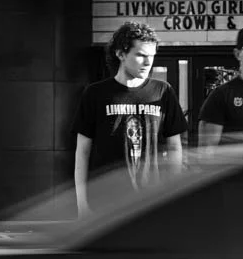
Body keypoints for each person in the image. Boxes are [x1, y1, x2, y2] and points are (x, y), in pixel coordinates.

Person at [72, 22, 187, 217]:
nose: (147, 62)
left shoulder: (163, 91)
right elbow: (82, 152)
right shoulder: (95, 94)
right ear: (121, 54)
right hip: (103, 201)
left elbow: (174, 147)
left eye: (151, 56)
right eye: (141, 55)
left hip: (151, 200)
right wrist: (82, 203)